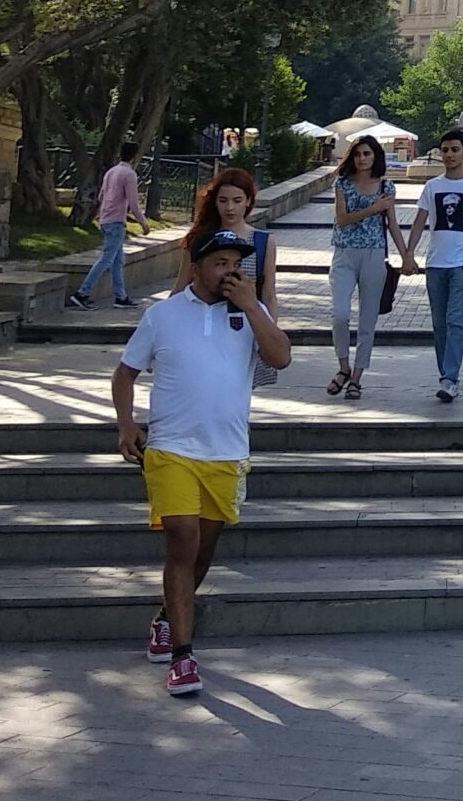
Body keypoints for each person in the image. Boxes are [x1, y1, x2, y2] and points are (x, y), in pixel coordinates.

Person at [112, 172, 293, 699]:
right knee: (183, 541)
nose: (228, 273)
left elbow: (280, 358)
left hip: (227, 450)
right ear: (198, 267)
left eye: (236, 266)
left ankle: (168, 617)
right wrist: (127, 424)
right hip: (170, 448)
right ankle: (183, 658)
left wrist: (252, 306)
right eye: (220, 264)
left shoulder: (249, 317)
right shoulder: (164, 315)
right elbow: (125, 372)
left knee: (204, 552)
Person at [403, 128, 463, 402]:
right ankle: (446, 373)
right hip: (435, 264)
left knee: (456, 321)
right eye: (445, 150)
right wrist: (409, 254)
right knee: (439, 324)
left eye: (455, 150)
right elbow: (419, 221)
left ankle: (450, 378)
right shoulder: (432, 187)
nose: (449, 155)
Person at [326, 136, 404, 402]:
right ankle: (343, 366)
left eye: (367, 154)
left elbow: (392, 224)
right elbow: (343, 219)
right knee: (340, 314)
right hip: (344, 253)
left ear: (375, 157)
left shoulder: (386, 186)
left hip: (373, 255)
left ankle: (356, 378)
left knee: (367, 321)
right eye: (358, 154)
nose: (362, 159)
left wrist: (406, 256)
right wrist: (374, 208)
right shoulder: (343, 184)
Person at [67, 141, 148, 310]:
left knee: (118, 261)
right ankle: (82, 293)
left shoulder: (111, 172)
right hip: (116, 221)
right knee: (106, 259)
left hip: (107, 219)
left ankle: (121, 296)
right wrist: (143, 223)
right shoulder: (129, 174)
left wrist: (100, 215)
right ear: (134, 157)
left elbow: (102, 195)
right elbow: (133, 202)